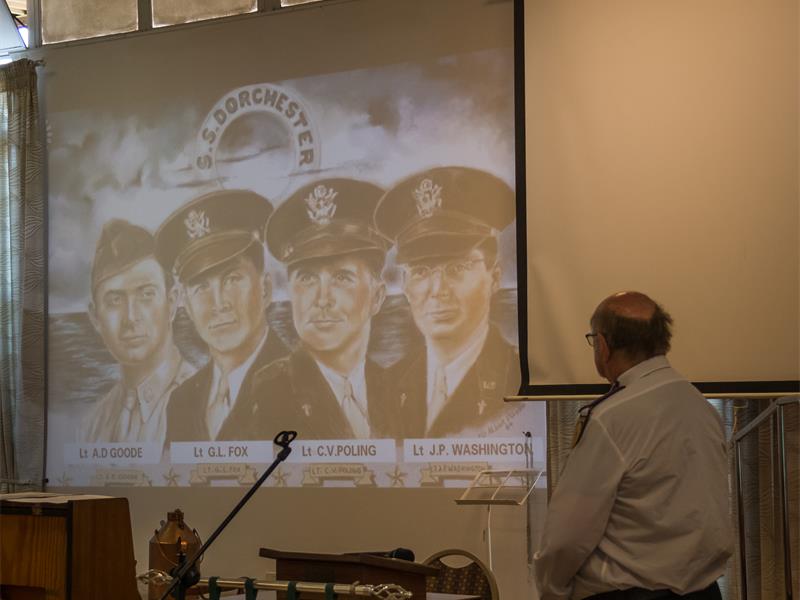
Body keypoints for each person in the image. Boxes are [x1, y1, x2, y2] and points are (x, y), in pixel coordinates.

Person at [534, 292, 733, 600]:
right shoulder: (702, 408)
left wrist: (551, 591)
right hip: (704, 593)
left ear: (602, 345)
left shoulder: (611, 418)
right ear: (662, 341)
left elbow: (567, 537)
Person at [374, 166, 520, 438]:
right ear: (405, 286)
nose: (438, 290)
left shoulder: (516, 376)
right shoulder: (386, 385)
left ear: (495, 277)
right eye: (421, 271)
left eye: (457, 268)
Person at [251, 178, 392, 439]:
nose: (323, 299)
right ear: (291, 292)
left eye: (341, 278)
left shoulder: (397, 389)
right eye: (307, 278)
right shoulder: (268, 394)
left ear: (377, 297)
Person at [154, 190, 287, 442]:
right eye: (201, 287)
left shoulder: (302, 387)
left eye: (232, 279)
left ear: (265, 289)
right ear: (187, 306)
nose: (218, 304)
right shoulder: (182, 402)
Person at [83, 219, 194, 447]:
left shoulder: (203, 404)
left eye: (146, 295)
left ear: (172, 302)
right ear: (95, 318)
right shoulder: (92, 425)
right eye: (115, 300)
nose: (131, 317)